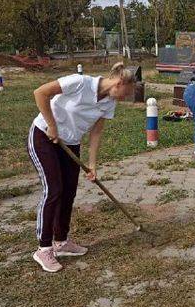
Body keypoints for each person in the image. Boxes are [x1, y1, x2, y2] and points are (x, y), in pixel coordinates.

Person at [28, 62, 136, 273]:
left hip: (71, 144)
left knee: (68, 192)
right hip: (44, 136)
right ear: (120, 82)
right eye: (127, 92)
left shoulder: (109, 103)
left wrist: (92, 165)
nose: (126, 97)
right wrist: (51, 124)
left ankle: (61, 241)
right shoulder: (80, 82)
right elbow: (40, 93)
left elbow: (96, 133)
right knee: (54, 189)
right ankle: (43, 248)